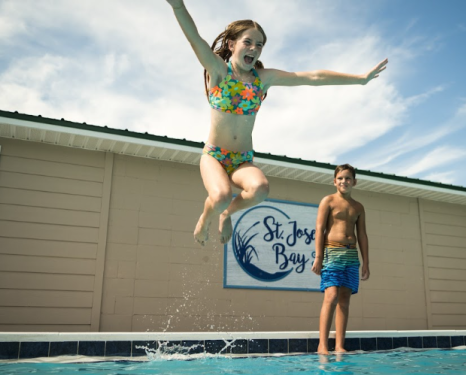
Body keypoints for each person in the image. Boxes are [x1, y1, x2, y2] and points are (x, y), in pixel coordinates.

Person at [166, 0, 388, 246]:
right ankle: (206, 218)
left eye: (259, 45)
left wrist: (360, 79)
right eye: (247, 42)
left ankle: (228, 213)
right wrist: (178, 6)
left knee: (260, 188)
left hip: (242, 159)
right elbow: (194, 38)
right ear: (231, 45)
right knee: (219, 197)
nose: (254, 48)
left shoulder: (262, 79)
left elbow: (311, 77)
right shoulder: (218, 71)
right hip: (215, 156)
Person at [311, 164, 370, 354]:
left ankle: (339, 345)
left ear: (354, 181)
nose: (344, 181)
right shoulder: (328, 201)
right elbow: (320, 229)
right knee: (331, 296)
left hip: (351, 255)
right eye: (341, 178)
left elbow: (362, 235)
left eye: (348, 178)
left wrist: (366, 261)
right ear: (334, 181)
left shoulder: (358, 207)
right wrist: (318, 257)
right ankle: (322, 344)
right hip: (332, 253)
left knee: (345, 299)